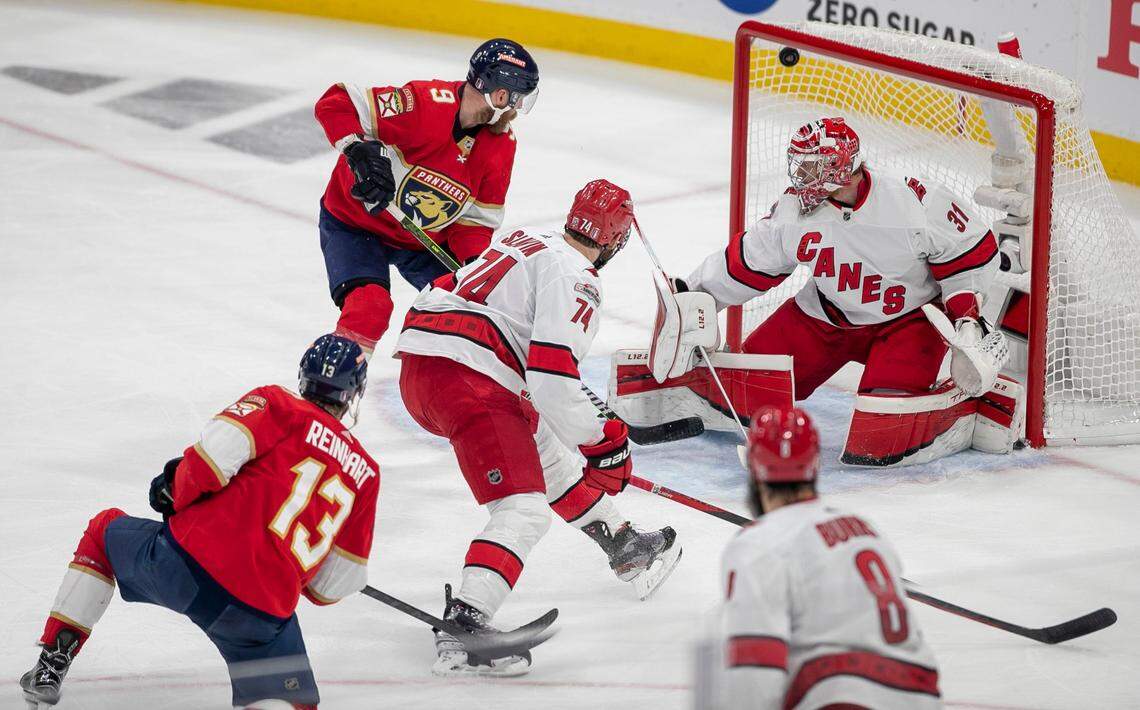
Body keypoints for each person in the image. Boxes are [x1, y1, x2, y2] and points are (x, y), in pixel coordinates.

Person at [395, 179, 681, 676]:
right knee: (524, 511)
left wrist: (584, 441)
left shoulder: (528, 238)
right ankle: (465, 620)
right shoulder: (580, 277)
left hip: (428, 366)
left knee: (548, 457)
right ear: (616, 238)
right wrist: (604, 443)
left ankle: (623, 544)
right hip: (471, 379)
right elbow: (551, 379)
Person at [20, 335, 378, 709]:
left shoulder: (277, 403)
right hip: (258, 617)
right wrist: (286, 568)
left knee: (102, 532)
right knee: (294, 702)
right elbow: (332, 587)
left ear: (304, 376)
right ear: (353, 394)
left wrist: (173, 489)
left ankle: (50, 665)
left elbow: (210, 462)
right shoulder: (367, 473)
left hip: (181, 568)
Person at [643, 117, 1014, 465]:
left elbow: (971, 254)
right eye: (798, 166)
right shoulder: (794, 212)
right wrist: (692, 292)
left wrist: (966, 317)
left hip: (907, 324)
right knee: (746, 393)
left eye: (809, 168)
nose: (798, 176)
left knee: (880, 436)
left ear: (839, 169)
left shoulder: (913, 202)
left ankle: (964, 410)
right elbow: (748, 262)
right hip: (823, 316)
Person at [314, 38, 539, 356]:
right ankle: (331, 394)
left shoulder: (501, 144)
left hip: (420, 243)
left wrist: (473, 265)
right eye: (514, 99)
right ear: (496, 92)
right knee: (370, 308)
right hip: (355, 224)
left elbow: (476, 220)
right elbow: (336, 102)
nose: (516, 110)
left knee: (478, 312)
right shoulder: (424, 104)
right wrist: (357, 149)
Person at [715, 405, 941, 709]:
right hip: (921, 695)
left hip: (840, 698)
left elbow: (755, 674)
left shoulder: (756, 544)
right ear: (815, 464)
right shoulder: (865, 529)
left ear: (754, 467)